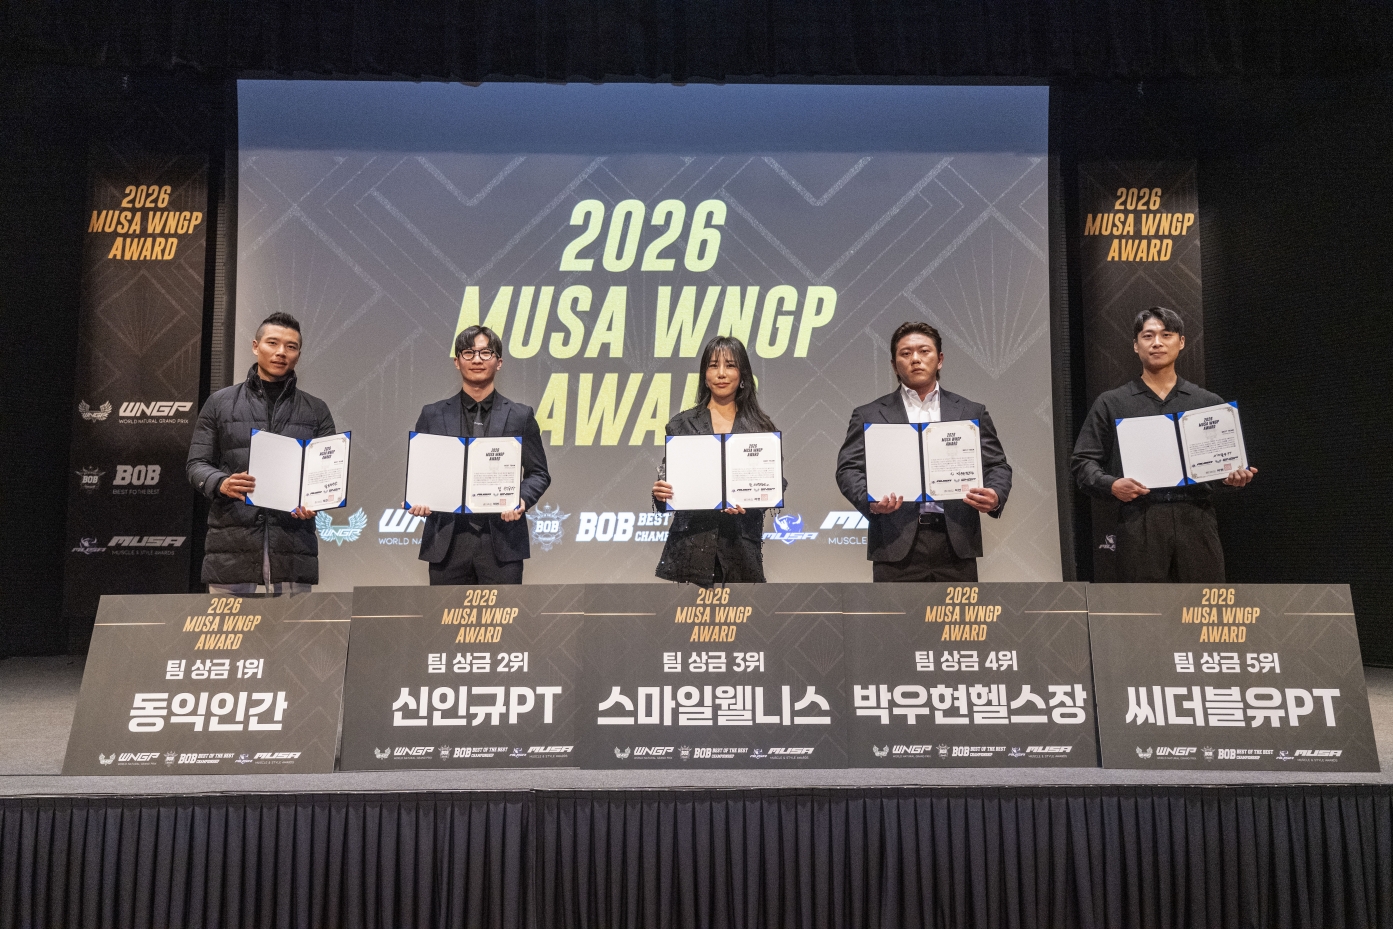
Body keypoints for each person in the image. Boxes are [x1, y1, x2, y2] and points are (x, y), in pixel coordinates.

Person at [1071, 306, 1257, 582]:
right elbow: (1082, 462)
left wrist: (1233, 477)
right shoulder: (1112, 403)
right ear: (1136, 345)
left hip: (1196, 516)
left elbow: (1224, 466)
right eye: (1148, 336)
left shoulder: (1208, 403)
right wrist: (1111, 484)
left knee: (1202, 603)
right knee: (1143, 605)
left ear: (1181, 342)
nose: (1157, 342)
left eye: (1166, 335)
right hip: (1140, 519)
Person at [835, 321, 1012, 582]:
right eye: (906, 353)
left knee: (958, 612)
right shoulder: (869, 415)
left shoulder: (971, 411)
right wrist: (869, 501)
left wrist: (995, 495)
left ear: (939, 360)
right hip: (894, 542)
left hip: (956, 542)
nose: (915, 359)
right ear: (894, 365)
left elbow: (997, 465)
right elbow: (848, 469)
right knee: (894, 612)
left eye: (924, 351)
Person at [187, 312, 336, 594]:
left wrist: (315, 501)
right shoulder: (219, 403)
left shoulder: (316, 410)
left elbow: (327, 475)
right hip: (231, 544)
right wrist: (221, 482)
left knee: (292, 624)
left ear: (298, 355)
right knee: (228, 624)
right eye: (273, 343)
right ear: (256, 346)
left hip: (293, 546)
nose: (281, 352)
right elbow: (196, 464)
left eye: (291, 346)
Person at [407, 325, 551, 585]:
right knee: (445, 613)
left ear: (499, 362)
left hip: (502, 540)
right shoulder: (432, 414)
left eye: (486, 353)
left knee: (503, 613)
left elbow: (539, 473)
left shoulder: (520, 415)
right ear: (457, 361)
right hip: (446, 541)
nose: (476, 359)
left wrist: (521, 499)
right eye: (468, 352)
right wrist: (419, 498)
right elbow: (421, 473)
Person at [651, 336, 784, 585]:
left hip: (740, 551)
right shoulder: (681, 424)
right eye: (713, 366)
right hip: (690, 550)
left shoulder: (761, 428)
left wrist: (750, 502)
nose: (721, 373)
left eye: (730, 365)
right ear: (705, 375)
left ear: (742, 375)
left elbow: (776, 483)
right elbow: (669, 482)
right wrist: (661, 493)